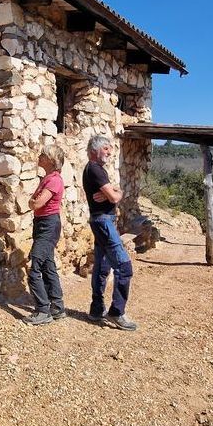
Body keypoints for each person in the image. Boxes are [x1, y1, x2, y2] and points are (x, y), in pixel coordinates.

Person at [83, 135, 137, 331]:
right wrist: (116, 193)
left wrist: (114, 192)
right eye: (105, 148)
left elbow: (113, 195)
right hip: (104, 222)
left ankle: (96, 309)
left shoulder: (93, 169)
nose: (109, 152)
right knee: (124, 266)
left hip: (101, 221)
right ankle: (116, 312)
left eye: (110, 149)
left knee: (102, 267)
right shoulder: (95, 169)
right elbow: (114, 198)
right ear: (94, 150)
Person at [22, 144, 67, 326]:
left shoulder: (54, 181)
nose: (39, 156)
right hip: (43, 224)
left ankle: (43, 310)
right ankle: (57, 307)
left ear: (51, 160)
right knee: (48, 266)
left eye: (43, 154)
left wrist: (33, 202)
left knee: (34, 269)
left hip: (48, 226)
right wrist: (33, 202)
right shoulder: (47, 179)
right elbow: (32, 202)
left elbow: (35, 203)